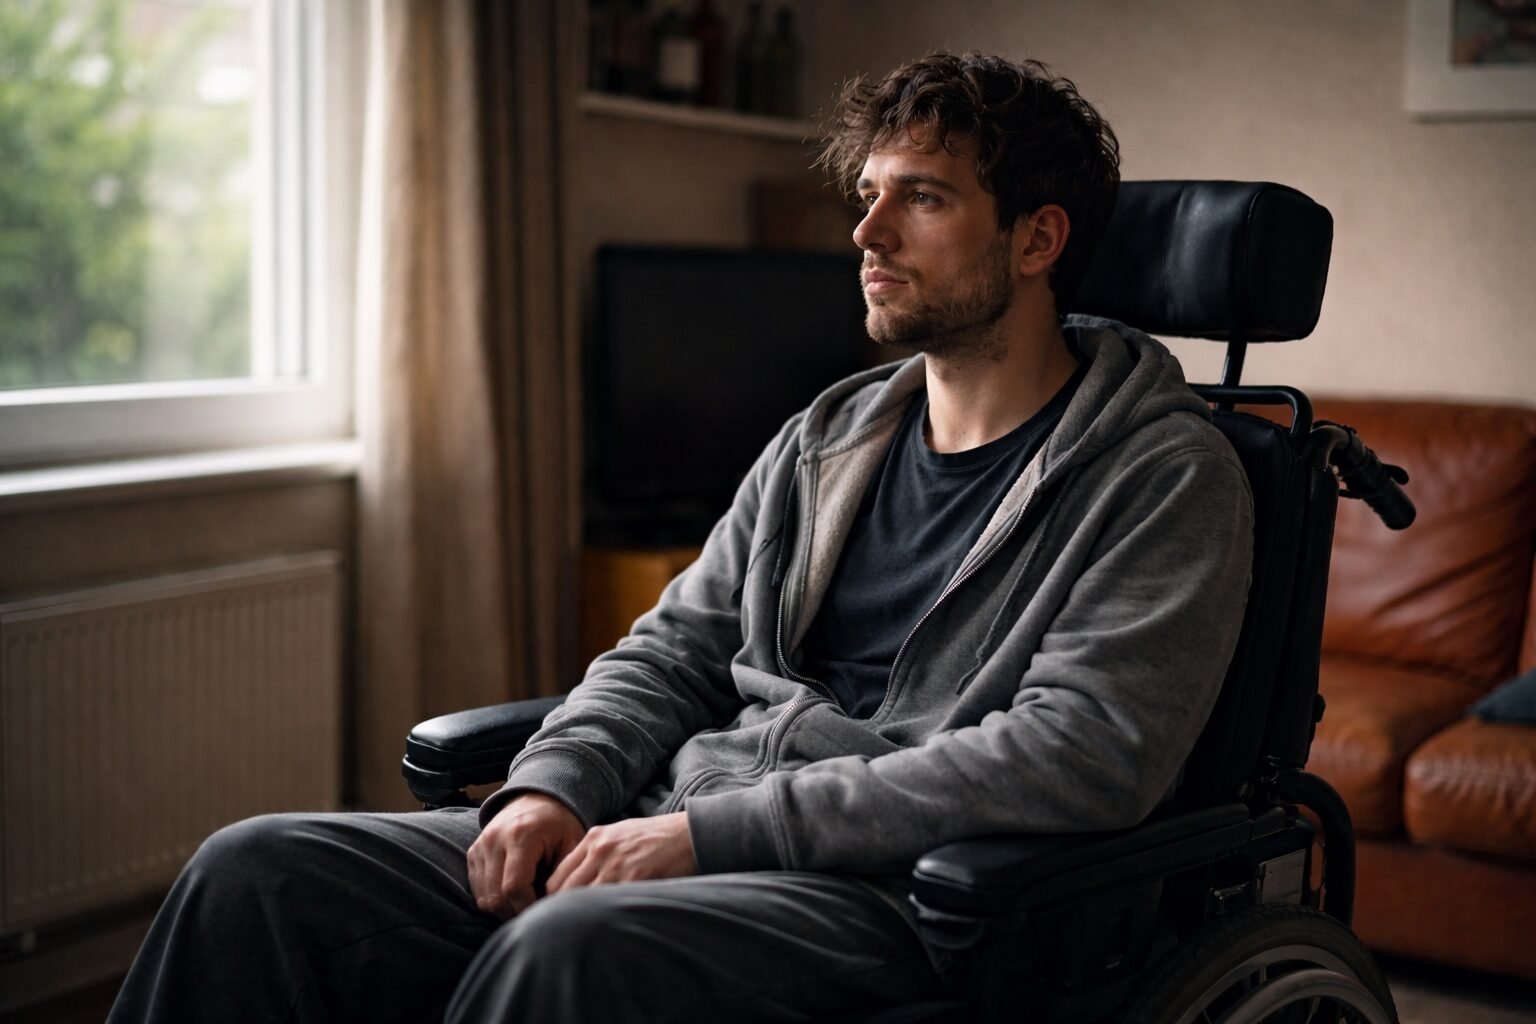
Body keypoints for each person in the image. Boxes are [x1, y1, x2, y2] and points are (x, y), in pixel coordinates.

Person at [110, 52, 1253, 1022]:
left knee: (562, 954)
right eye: (868, 193)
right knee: (253, 870)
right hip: (668, 820)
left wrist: (712, 838)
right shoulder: (832, 432)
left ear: (1038, 237)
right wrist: (552, 787)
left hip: (899, 893)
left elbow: (1077, 752)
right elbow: (672, 651)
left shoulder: (1161, 473)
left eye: (922, 197)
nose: (865, 231)